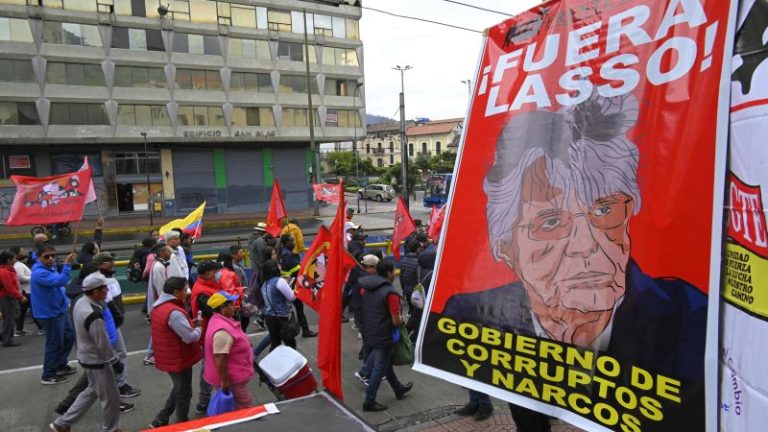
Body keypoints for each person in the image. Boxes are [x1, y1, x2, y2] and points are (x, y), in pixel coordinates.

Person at [441, 96, 707, 431]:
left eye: (604, 210)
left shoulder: (693, 319)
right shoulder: (467, 315)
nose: (586, 246)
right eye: (550, 222)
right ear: (506, 247)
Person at [49, 272, 125, 432]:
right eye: (105, 288)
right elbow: (103, 344)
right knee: (111, 398)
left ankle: (62, 424)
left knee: (91, 390)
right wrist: (115, 362)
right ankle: (110, 429)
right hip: (98, 361)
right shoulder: (94, 315)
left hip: (86, 356)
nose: (107, 290)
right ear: (96, 291)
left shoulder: (80, 302)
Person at [149, 277, 203, 428]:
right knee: (184, 392)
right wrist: (199, 328)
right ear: (175, 292)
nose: (187, 292)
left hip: (167, 355)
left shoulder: (159, 306)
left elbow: (172, 329)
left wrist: (188, 324)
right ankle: (182, 423)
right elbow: (190, 337)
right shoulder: (174, 312)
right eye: (185, 290)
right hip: (178, 357)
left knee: (178, 388)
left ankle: (161, 418)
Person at [359, 260, 413, 411]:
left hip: (370, 331)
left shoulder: (367, 287)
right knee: (379, 368)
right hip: (384, 334)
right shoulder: (390, 293)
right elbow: (396, 321)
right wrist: (401, 320)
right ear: (389, 273)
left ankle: (398, 388)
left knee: (386, 364)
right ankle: (369, 401)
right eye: (394, 271)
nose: (395, 274)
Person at [32, 244, 77, 385]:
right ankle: (48, 375)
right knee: (54, 344)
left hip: (59, 310)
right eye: (47, 256)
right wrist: (67, 264)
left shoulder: (49, 268)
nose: (51, 258)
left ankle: (60, 364)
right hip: (49, 314)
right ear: (39, 257)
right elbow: (60, 281)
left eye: (53, 255)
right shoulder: (39, 273)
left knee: (69, 337)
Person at [203, 291, 255, 409]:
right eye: (231, 304)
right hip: (232, 380)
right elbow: (220, 357)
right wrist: (225, 381)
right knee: (244, 406)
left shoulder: (220, 320)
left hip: (233, 377)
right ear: (223, 308)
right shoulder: (222, 331)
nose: (235, 306)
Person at [190, 260, 223, 415]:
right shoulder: (203, 293)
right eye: (216, 271)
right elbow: (214, 313)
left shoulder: (209, 286)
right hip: (210, 333)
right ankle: (204, 401)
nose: (218, 273)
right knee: (209, 366)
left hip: (212, 331)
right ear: (208, 273)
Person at [145, 243, 184, 366]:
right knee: (161, 328)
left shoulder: (162, 264)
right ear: (161, 253)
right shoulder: (158, 267)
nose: (170, 252)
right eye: (168, 251)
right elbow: (161, 289)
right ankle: (150, 353)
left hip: (164, 301)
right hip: (163, 302)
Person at [279, 236, 316, 337]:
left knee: (294, 309)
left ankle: (304, 330)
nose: (294, 243)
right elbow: (298, 270)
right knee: (299, 309)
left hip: (287, 283)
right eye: (291, 241)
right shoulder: (289, 255)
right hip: (293, 285)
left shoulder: (282, 253)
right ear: (286, 243)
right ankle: (305, 330)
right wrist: (308, 263)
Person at [260, 259, 297, 351]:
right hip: (280, 317)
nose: (280, 267)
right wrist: (296, 289)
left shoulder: (264, 284)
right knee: (290, 343)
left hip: (269, 317)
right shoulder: (279, 281)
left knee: (275, 343)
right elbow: (292, 297)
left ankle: (272, 359)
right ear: (274, 268)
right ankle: (292, 360)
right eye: (278, 265)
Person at [10, 246, 42, 336]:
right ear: (17, 254)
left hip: (25, 291)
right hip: (26, 291)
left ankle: (19, 329)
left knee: (22, 311)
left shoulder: (18, 264)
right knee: (35, 309)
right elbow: (20, 278)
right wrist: (34, 277)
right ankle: (42, 328)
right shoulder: (18, 265)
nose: (24, 253)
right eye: (22, 251)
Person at [0, 250, 26, 347]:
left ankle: (4, 334)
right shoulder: (4, 271)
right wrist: (20, 296)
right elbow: (9, 287)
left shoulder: (9, 269)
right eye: (13, 258)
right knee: (10, 318)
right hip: (7, 297)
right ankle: (8, 339)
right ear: (8, 260)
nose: (15, 260)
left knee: (14, 315)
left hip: (10, 296)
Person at [398, 240, 421, 311]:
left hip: (406, 289)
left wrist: (404, 289)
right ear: (417, 249)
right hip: (416, 291)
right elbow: (418, 279)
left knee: (411, 310)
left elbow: (401, 277)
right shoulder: (418, 262)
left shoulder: (403, 260)